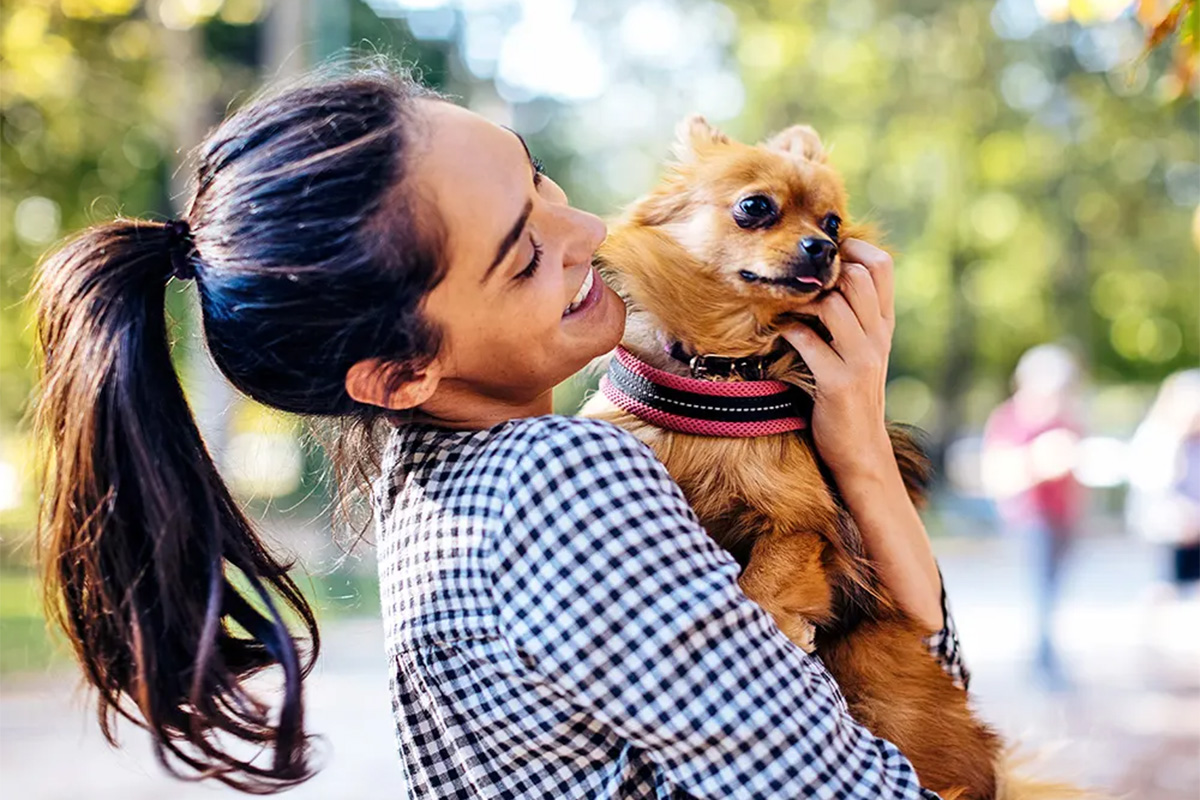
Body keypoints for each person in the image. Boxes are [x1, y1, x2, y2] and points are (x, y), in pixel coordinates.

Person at [33, 62, 966, 798]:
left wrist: (854, 447)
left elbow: (898, 650)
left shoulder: (437, 483)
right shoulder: (563, 483)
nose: (588, 226)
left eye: (539, 175)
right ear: (401, 373)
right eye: (525, 256)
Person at [981, 343, 1086, 689]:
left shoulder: (1066, 419)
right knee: (1039, 592)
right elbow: (996, 475)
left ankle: (1046, 655)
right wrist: (1040, 462)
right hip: (1030, 520)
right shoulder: (1008, 419)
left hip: (1063, 518)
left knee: (1054, 591)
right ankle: (1042, 661)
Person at [1126, 369, 1200, 596]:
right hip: (1167, 529)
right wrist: (1183, 514)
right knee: (1163, 588)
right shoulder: (1158, 437)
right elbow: (1152, 487)